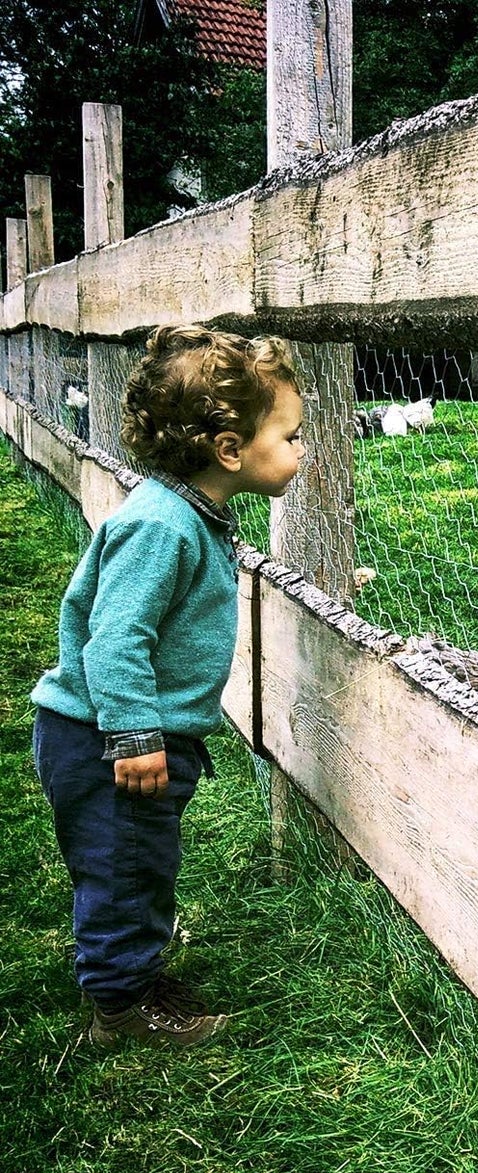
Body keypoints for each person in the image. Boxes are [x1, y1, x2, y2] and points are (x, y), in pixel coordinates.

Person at [32, 325, 305, 1048]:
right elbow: (116, 638)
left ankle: (132, 973)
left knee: (138, 865)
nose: (300, 449)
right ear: (228, 449)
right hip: (107, 741)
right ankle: (122, 1013)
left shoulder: (191, 513)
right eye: (289, 435)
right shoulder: (162, 527)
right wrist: (134, 735)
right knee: (124, 870)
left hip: (130, 736)